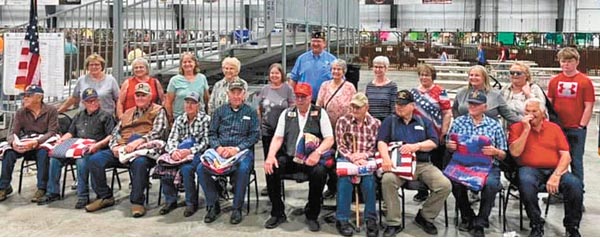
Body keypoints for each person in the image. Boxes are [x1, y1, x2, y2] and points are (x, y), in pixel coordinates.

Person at [86, 82, 169, 218]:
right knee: (95, 160)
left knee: (139, 163)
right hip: (123, 147)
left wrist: (140, 141)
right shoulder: (127, 112)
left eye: (144, 95)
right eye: (138, 95)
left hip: (144, 149)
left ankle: (137, 201)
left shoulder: (158, 110)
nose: (140, 98)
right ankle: (105, 196)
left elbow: (158, 132)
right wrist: (114, 147)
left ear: (150, 97)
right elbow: (115, 133)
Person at [378, 90, 452, 236]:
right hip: (398, 164)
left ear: (412, 105)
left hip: (421, 163)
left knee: (444, 185)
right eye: (397, 104)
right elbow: (381, 141)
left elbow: (434, 142)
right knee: (388, 179)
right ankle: (394, 222)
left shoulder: (424, 122)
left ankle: (425, 216)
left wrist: (416, 146)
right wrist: (385, 159)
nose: (399, 107)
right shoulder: (389, 121)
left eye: (403, 105)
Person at [263, 83, 334, 232]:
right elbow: (277, 138)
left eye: (303, 97)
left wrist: (317, 152)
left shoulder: (320, 113)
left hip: (311, 158)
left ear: (310, 98)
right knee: (272, 168)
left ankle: (312, 214)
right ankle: (277, 212)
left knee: (320, 172)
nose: (300, 100)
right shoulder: (287, 113)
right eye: (298, 96)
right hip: (291, 157)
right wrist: (270, 157)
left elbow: (329, 139)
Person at [508, 98, 583, 237]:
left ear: (543, 113)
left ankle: (572, 226)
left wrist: (556, 175)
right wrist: (526, 130)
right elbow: (515, 153)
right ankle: (536, 223)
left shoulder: (554, 128)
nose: (531, 114)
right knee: (526, 182)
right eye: (527, 111)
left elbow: (566, 156)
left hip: (555, 169)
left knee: (575, 185)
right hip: (529, 168)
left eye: (534, 111)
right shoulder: (516, 128)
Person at [37, 88, 116, 209]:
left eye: (95, 100)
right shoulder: (79, 115)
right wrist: (62, 140)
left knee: (82, 161)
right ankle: (52, 192)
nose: (93, 103)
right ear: (84, 103)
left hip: (96, 148)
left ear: (99, 101)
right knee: (55, 159)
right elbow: (71, 133)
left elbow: (111, 136)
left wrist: (97, 145)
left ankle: (83, 195)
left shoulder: (106, 116)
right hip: (75, 147)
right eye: (89, 101)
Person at [197, 79, 259, 224]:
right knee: (201, 168)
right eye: (233, 93)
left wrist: (237, 149)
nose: (236, 96)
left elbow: (255, 135)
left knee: (243, 169)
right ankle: (213, 204)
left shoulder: (251, 112)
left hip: (241, 151)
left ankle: (237, 208)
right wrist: (218, 148)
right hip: (220, 151)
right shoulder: (219, 112)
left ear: (244, 95)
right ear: (228, 94)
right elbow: (212, 133)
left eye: (239, 93)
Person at [447, 90, 507, 237]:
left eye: (476, 104)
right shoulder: (459, 122)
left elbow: (504, 154)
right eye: (471, 104)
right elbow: (449, 144)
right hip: (462, 164)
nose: (472, 106)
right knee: (454, 181)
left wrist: (495, 151)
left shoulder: (494, 125)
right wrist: (450, 146)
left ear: (484, 107)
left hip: (487, 166)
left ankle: (480, 221)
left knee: (491, 185)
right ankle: (467, 215)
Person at [547, 47, 594, 196]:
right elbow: (549, 103)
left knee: (576, 162)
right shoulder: (554, 81)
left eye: (570, 61)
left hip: (576, 128)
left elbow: (589, 105)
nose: (566, 64)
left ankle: (577, 194)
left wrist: (581, 125)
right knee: (558, 161)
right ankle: (558, 192)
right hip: (558, 128)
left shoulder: (585, 81)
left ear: (577, 62)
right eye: (563, 61)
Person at [0, 85, 58, 202]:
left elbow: (52, 131)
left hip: (43, 141)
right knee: (9, 152)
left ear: (39, 98)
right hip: (25, 141)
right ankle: (4, 187)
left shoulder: (51, 110)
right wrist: (13, 143)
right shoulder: (21, 112)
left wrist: (37, 141)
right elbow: (12, 132)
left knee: (43, 152)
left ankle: (42, 187)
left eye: (28, 96)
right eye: (24, 96)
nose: (24, 99)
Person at [334, 93, 381, 237]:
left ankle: (371, 219)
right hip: (347, 158)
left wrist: (364, 156)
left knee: (369, 183)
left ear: (367, 107)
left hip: (366, 159)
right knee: (344, 182)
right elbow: (340, 145)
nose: (354, 109)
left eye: (358, 107)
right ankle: (342, 219)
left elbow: (375, 147)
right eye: (352, 106)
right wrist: (352, 157)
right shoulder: (342, 121)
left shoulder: (376, 124)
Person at [158, 91, 210, 217]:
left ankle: (191, 203)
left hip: (197, 152)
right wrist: (174, 151)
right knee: (164, 165)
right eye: (187, 103)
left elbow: (206, 142)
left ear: (198, 105)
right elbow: (172, 139)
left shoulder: (206, 119)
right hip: (179, 152)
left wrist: (190, 151)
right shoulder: (179, 120)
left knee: (187, 169)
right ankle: (170, 200)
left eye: (193, 103)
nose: (189, 106)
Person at [409, 64, 452, 203]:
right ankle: (422, 191)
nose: (423, 77)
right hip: (417, 133)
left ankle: (437, 189)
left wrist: (444, 132)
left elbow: (447, 113)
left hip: (436, 132)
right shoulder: (413, 92)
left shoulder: (440, 91)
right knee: (419, 162)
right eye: (421, 74)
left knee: (435, 162)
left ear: (432, 76)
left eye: (426, 75)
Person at [316, 58, 356, 199]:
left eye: (338, 69)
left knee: (342, 158)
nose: (335, 71)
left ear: (343, 71)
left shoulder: (350, 87)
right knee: (328, 159)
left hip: (344, 130)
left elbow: (354, 107)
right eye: (333, 69)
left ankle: (343, 188)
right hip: (327, 129)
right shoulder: (325, 85)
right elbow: (319, 105)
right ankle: (330, 186)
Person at [257, 63, 295, 195]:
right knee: (268, 158)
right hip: (267, 130)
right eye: (272, 73)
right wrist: (261, 123)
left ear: (281, 75)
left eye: (277, 73)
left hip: (283, 131)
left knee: (280, 160)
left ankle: (279, 185)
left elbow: (292, 107)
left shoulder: (287, 89)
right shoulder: (265, 89)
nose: (274, 75)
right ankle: (270, 186)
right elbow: (259, 108)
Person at [453, 65, 521, 125]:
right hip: (465, 130)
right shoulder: (461, 92)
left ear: (484, 78)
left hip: (489, 131)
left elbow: (508, 114)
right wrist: (459, 123)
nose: (473, 77)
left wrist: (523, 122)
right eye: (471, 75)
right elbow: (455, 109)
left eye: (477, 75)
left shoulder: (496, 94)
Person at [289, 31, 337, 101]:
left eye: (318, 41)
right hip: (303, 100)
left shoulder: (332, 60)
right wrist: (291, 99)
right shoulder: (302, 59)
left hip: (325, 101)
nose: (315, 44)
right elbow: (293, 79)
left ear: (324, 43)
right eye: (313, 41)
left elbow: (339, 80)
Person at [165, 52, 210, 121]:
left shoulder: (202, 78)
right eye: (184, 62)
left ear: (195, 63)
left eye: (190, 62)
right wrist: (170, 119)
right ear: (181, 65)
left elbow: (206, 99)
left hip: (200, 119)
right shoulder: (174, 80)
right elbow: (168, 102)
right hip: (179, 119)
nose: (187, 64)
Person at [366, 56, 398, 122]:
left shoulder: (392, 86)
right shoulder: (369, 86)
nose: (378, 69)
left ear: (386, 68)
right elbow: (366, 106)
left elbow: (393, 108)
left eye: (380, 67)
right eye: (375, 67)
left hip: (386, 122)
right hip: (370, 123)